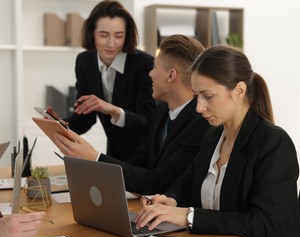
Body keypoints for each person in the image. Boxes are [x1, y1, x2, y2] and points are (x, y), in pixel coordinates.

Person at [134, 46, 300, 237]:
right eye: (197, 96)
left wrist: (189, 216)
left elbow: (262, 224)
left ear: (239, 91)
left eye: (208, 96)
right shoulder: (212, 136)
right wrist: (169, 201)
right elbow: (186, 184)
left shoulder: (273, 143)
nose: (199, 107)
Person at [53, 34, 210, 195]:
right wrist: (92, 166)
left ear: (171, 75)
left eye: (155, 67)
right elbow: (138, 162)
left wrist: (94, 157)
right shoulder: (162, 110)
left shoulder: (201, 123)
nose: (150, 74)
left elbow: (158, 182)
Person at [49, 0, 155, 161]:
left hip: (147, 154)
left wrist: (112, 110)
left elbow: (147, 122)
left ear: (127, 36)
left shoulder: (143, 63)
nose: (111, 43)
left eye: (119, 36)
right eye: (104, 35)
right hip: (113, 152)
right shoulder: (85, 61)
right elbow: (86, 116)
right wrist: (62, 125)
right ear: (92, 33)